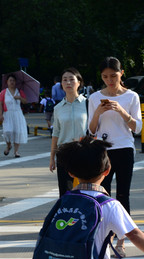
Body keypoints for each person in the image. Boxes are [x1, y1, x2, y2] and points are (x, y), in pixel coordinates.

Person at [88, 56, 142, 257]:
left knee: (123, 194)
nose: (110, 80)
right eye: (105, 76)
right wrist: (97, 113)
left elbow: (137, 127)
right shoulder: (94, 98)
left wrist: (121, 111)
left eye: (113, 75)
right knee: (103, 194)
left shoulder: (131, 97)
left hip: (125, 148)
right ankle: (105, 236)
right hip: (103, 149)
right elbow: (91, 129)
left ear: (122, 73)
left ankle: (122, 239)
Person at [50, 68, 89, 196]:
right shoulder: (58, 108)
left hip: (83, 151)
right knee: (65, 192)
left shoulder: (88, 104)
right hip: (64, 152)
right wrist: (52, 158)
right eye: (64, 80)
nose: (68, 82)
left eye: (72, 79)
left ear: (79, 82)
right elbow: (56, 134)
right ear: (61, 84)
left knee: (86, 190)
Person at [0, 73, 28, 158]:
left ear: (16, 82)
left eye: (13, 81)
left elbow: (25, 101)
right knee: (7, 131)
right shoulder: (3, 92)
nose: (12, 82)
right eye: (10, 80)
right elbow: (0, 104)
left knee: (17, 132)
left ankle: (16, 151)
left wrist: (19, 97)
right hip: (7, 114)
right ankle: (8, 145)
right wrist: (0, 114)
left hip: (18, 114)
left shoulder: (19, 91)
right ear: (7, 82)